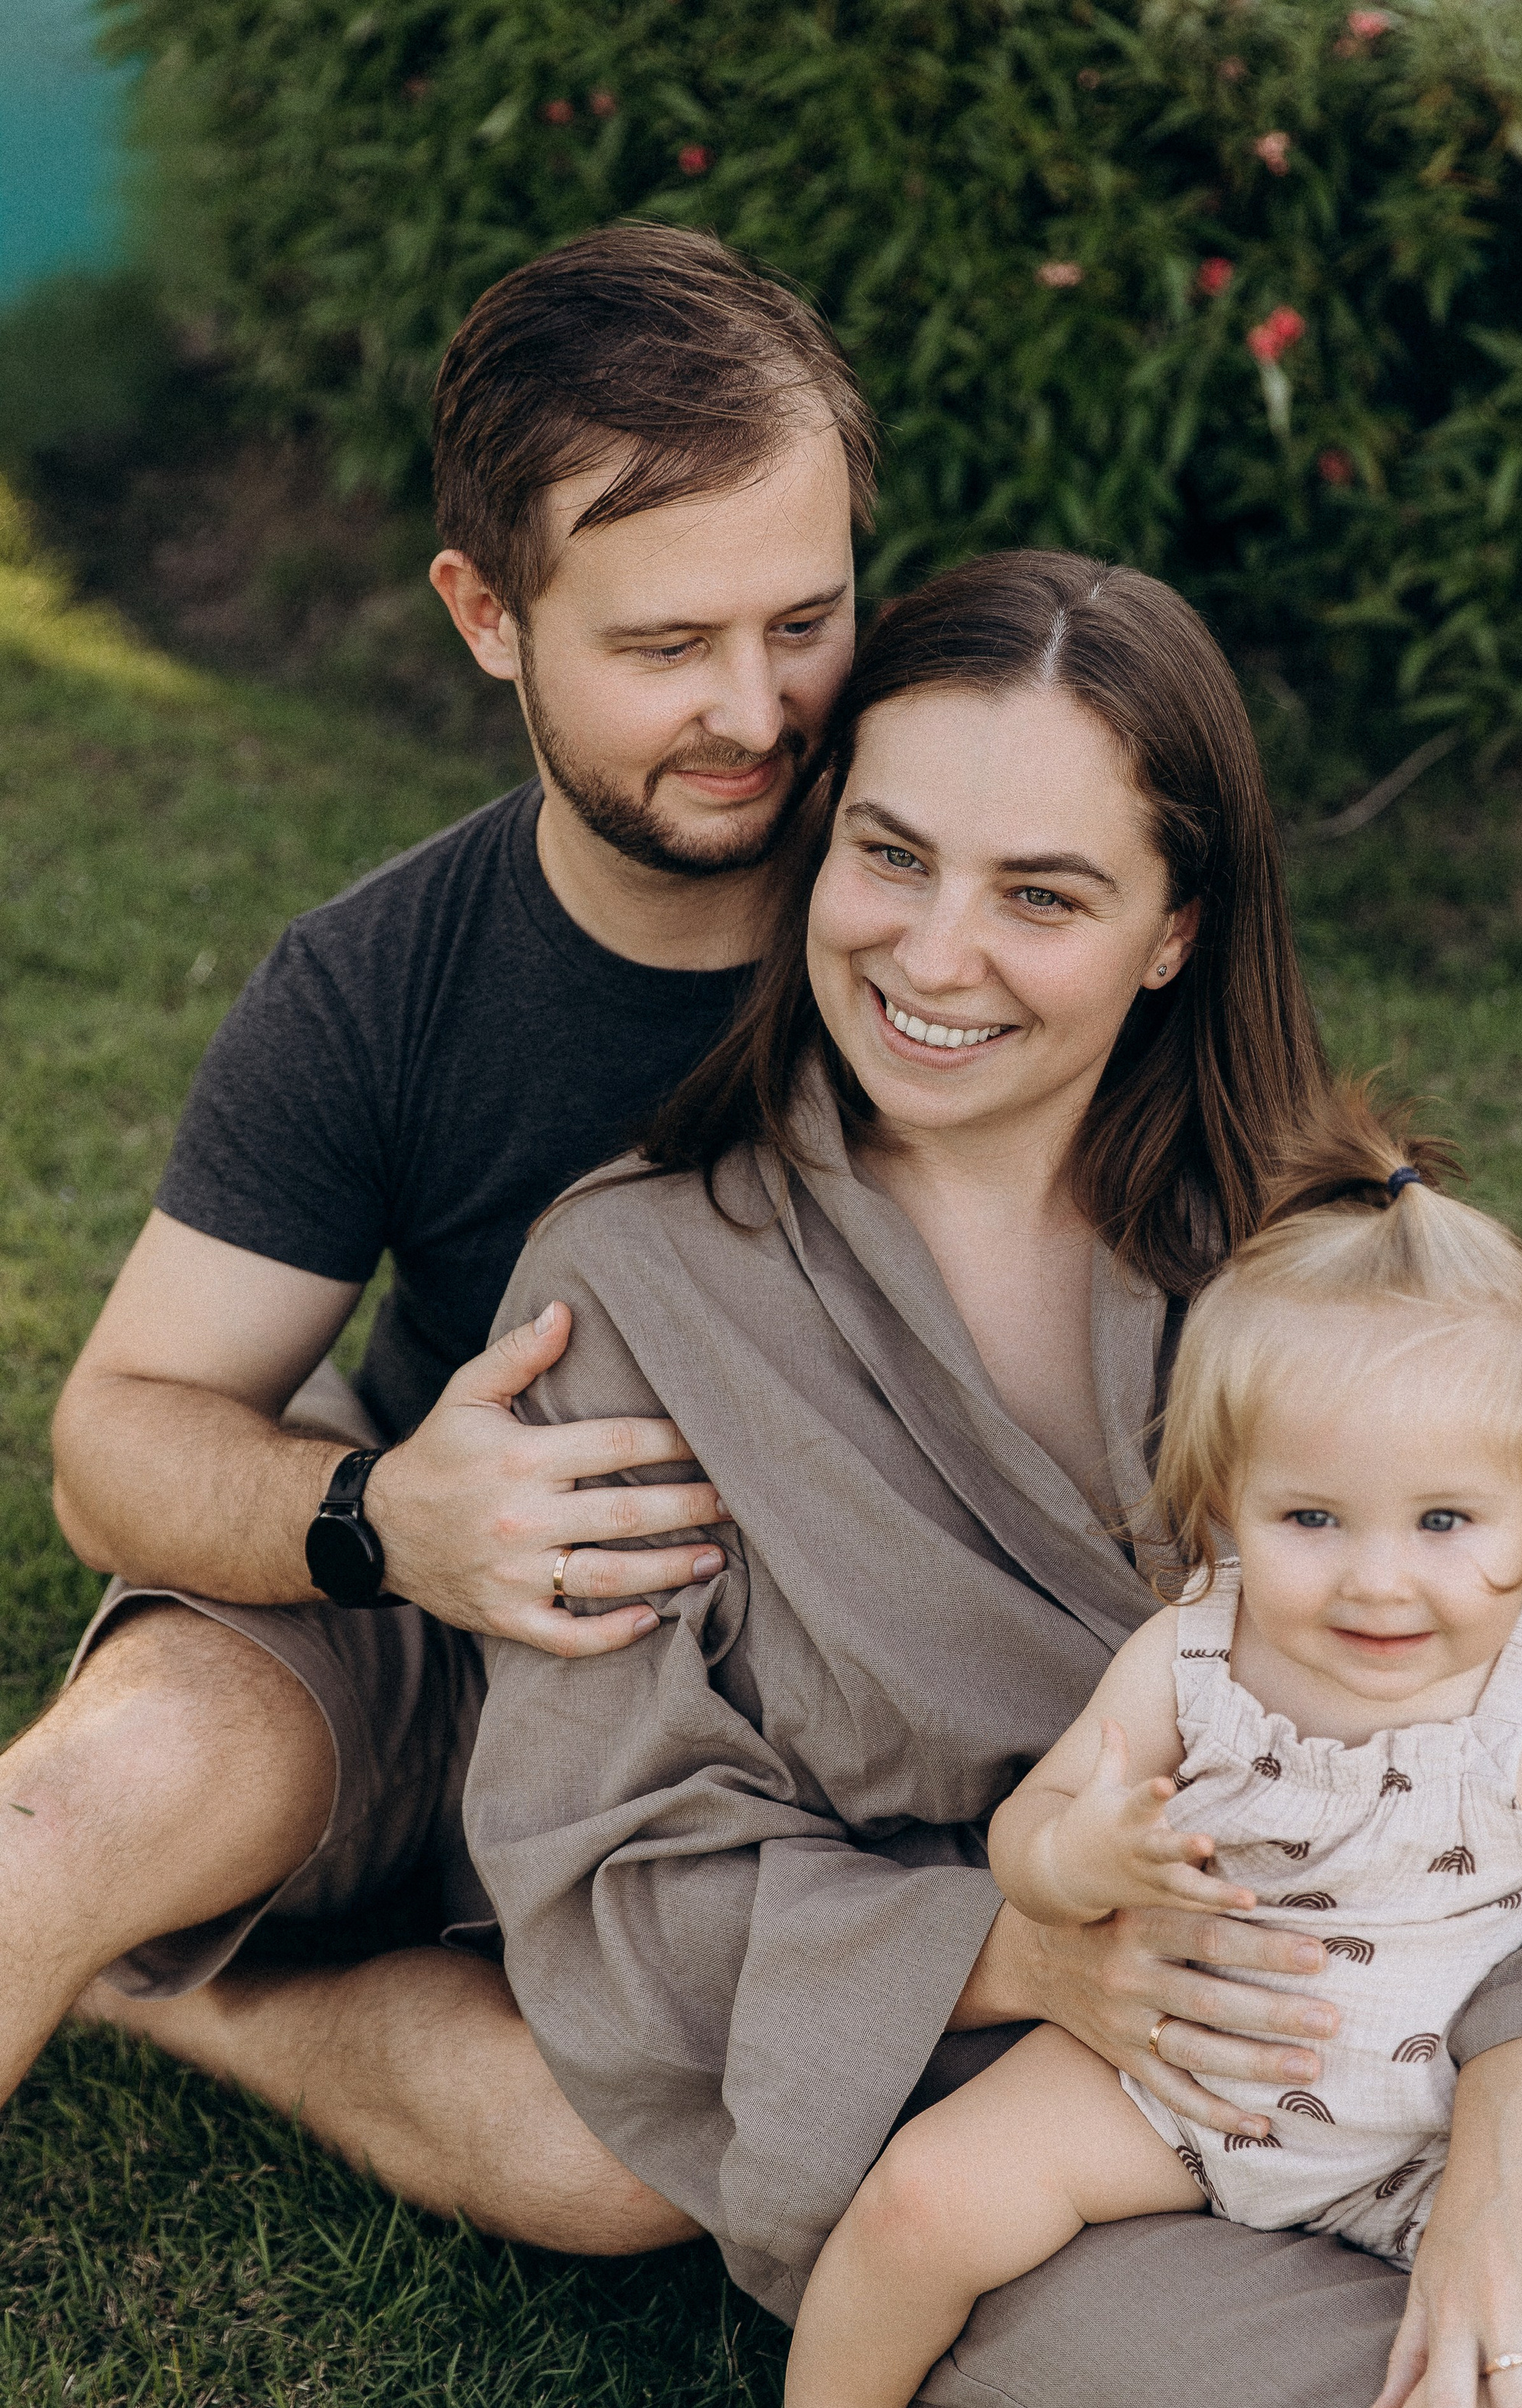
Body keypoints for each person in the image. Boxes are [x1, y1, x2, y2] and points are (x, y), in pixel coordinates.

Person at [465, 548, 1522, 2408]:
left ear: (1175, 929)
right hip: (1041, 2124)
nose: (935, 949)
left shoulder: (1343, 1242)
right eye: (889, 854)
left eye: (1043, 893)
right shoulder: (640, 1298)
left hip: (1503, 1991)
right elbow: (613, 1878)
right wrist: (1026, 1953)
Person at [7, 221, 874, 2249]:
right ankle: (120, 1911)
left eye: (806, 620)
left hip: (751, 1716)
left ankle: (183, 1998)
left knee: (614, 2167)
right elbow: (115, 1439)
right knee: (70, 1810)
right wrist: (391, 1519)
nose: (755, 709)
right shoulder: (381, 979)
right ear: (488, 615)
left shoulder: (962, 926)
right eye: (664, 646)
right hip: (413, 1589)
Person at [753, 1082, 1522, 2408]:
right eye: (1312, 1518)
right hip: (1183, 2082)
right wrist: (1084, 1859)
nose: (1378, 1580)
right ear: (1224, 1499)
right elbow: (1030, 1833)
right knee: (921, 2197)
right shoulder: (1190, 1658)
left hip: (1437, 2141)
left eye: (1444, 1522)